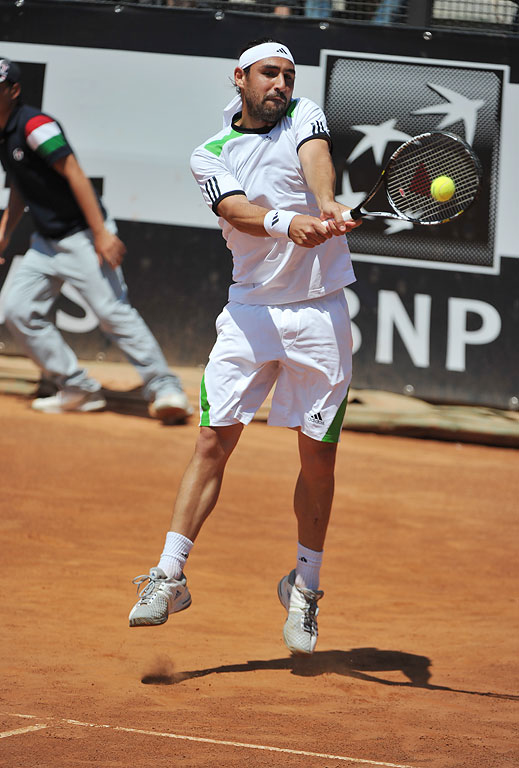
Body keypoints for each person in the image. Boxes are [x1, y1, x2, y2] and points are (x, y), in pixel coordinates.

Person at [128, 38, 360, 655]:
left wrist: (327, 205)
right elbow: (235, 209)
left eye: (288, 75)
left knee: (319, 457)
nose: (280, 84)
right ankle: (169, 575)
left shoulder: (305, 114)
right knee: (212, 441)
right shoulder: (210, 153)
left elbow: (315, 157)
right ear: (240, 79)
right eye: (268, 74)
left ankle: (304, 588)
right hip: (250, 313)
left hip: (321, 312)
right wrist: (289, 223)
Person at [0, 57, 192, 421]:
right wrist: (4, 234)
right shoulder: (3, 134)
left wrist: (100, 233)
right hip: (45, 243)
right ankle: (77, 388)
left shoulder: (36, 126)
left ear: (13, 91)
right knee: (16, 310)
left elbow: (75, 173)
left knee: (112, 313)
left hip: (83, 236)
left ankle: (165, 388)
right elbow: (20, 185)